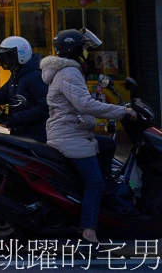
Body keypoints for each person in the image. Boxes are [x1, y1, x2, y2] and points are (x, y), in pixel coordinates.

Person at [41, 29, 137, 244]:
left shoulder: (63, 71)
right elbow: (84, 104)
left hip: (69, 132)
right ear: (73, 50)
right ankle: (88, 230)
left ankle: (102, 200)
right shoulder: (69, 73)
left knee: (107, 146)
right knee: (95, 184)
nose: (85, 53)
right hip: (69, 137)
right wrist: (121, 111)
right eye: (83, 49)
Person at [0, 36, 49, 142]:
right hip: (21, 131)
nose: (5, 61)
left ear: (21, 54)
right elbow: (2, 94)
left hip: (35, 135)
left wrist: (18, 118)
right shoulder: (18, 74)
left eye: (8, 57)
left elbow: (45, 106)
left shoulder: (35, 76)